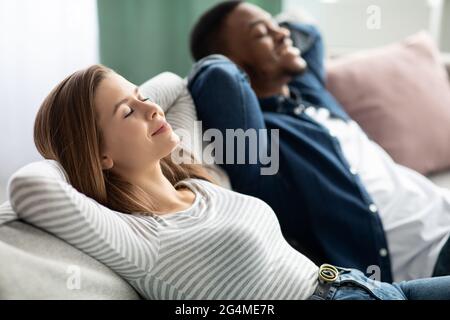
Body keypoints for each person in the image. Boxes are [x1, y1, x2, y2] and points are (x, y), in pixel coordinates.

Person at [7, 64, 450, 300]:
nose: (152, 110)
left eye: (142, 99)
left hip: (373, 288)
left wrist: (128, 102)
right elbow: (30, 187)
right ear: (98, 154)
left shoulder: (193, 179)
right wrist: (75, 148)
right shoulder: (137, 237)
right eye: (129, 113)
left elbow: (176, 86)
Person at [188, 0, 450, 283]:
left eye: (275, 26)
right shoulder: (262, 147)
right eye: (261, 34)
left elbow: (309, 32)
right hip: (425, 259)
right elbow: (216, 77)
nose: (282, 34)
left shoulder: (309, 94)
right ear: (236, 63)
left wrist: (269, 34)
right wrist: (225, 59)